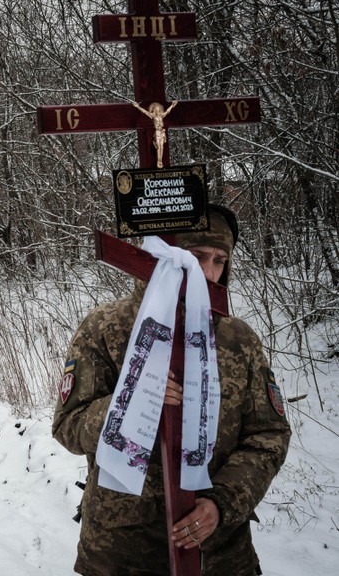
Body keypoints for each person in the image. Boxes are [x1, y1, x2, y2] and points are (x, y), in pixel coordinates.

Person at [52, 205, 291, 575]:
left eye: (219, 260)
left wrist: (222, 503)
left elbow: (268, 435)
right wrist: (132, 400)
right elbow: (68, 425)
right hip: (121, 549)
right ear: (166, 256)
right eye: (196, 257)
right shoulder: (107, 328)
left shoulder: (237, 339)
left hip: (219, 553)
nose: (208, 273)